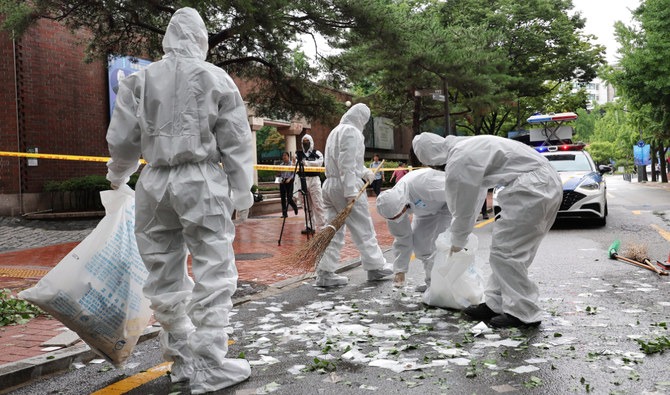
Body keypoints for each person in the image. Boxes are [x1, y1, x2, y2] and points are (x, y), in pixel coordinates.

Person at [105, 8, 253, 393]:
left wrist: (118, 177)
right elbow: (236, 139)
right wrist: (242, 187)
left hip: (152, 182)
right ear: (200, 38)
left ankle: (183, 361)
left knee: (162, 272)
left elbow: (122, 140)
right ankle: (209, 363)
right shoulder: (215, 77)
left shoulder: (140, 79)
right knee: (213, 269)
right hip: (200, 179)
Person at [412, 133, 561, 328]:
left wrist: (458, 239)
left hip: (532, 188)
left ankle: (524, 313)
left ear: (431, 158)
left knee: (507, 253)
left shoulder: (459, 158)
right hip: (542, 183)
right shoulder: (468, 145)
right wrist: (460, 234)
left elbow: (462, 205)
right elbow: (475, 196)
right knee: (506, 252)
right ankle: (496, 303)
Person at [318, 103, 393, 287]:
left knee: (332, 231)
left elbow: (350, 164)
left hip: (329, 185)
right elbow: (346, 162)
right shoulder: (352, 132)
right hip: (344, 187)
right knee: (363, 227)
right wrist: (351, 190)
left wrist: (366, 172)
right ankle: (376, 267)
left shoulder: (336, 131)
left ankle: (324, 272)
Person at [376, 168, 452, 292]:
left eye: (397, 216)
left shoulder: (425, 184)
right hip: (425, 210)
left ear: (403, 206)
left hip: (449, 205)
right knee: (422, 246)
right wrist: (400, 270)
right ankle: (432, 284)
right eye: (393, 218)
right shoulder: (391, 206)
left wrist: (462, 222)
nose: (396, 220)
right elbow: (402, 237)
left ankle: (446, 286)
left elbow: (458, 191)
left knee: (441, 245)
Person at [298, 134, 327, 233]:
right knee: (306, 206)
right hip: (303, 179)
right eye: (304, 141)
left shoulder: (317, 153)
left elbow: (320, 163)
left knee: (318, 203)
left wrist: (307, 163)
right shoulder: (299, 154)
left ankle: (323, 226)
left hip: (314, 180)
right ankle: (310, 226)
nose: (305, 143)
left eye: (307, 141)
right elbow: (295, 164)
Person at [279, 152, 299, 218]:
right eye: (283, 155)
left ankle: (295, 207)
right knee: (283, 198)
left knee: (289, 198)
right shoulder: (281, 165)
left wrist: (290, 179)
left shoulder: (291, 164)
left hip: (289, 181)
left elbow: (294, 173)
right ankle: (284, 214)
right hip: (282, 181)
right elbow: (280, 174)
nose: (284, 157)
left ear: (288, 156)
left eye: (285, 155)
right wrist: (280, 180)